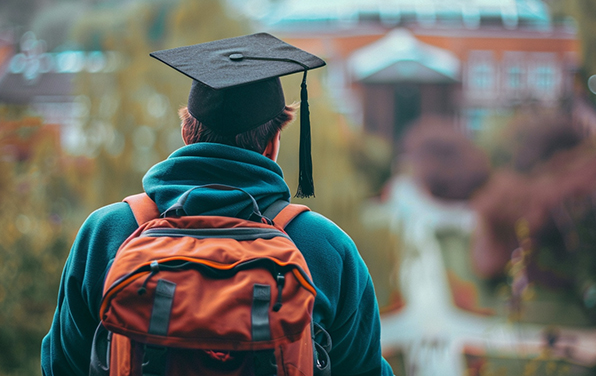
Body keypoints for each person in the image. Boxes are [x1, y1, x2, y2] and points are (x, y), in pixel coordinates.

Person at [41, 32, 394, 376]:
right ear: (272, 145)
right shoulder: (325, 247)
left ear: (186, 133)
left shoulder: (107, 233)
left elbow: (60, 366)